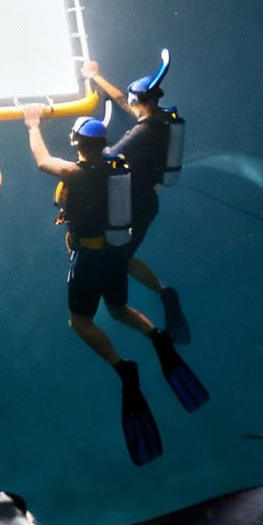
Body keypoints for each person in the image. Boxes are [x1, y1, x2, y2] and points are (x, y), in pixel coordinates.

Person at [22, 103, 207, 466]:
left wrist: (32, 123)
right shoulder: (117, 167)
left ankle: (123, 366)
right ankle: (156, 335)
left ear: (76, 143)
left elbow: (42, 159)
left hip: (89, 258)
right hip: (115, 254)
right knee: (118, 308)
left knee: (80, 321)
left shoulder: (73, 172)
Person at [82, 52, 189, 343]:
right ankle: (164, 292)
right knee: (125, 256)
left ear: (138, 102)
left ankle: (143, 304)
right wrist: (96, 76)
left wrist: (87, 146)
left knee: (118, 255)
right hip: (147, 201)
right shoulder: (163, 119)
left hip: (133, 204)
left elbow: (109, 157)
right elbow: (121, 99)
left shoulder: (143, 132)